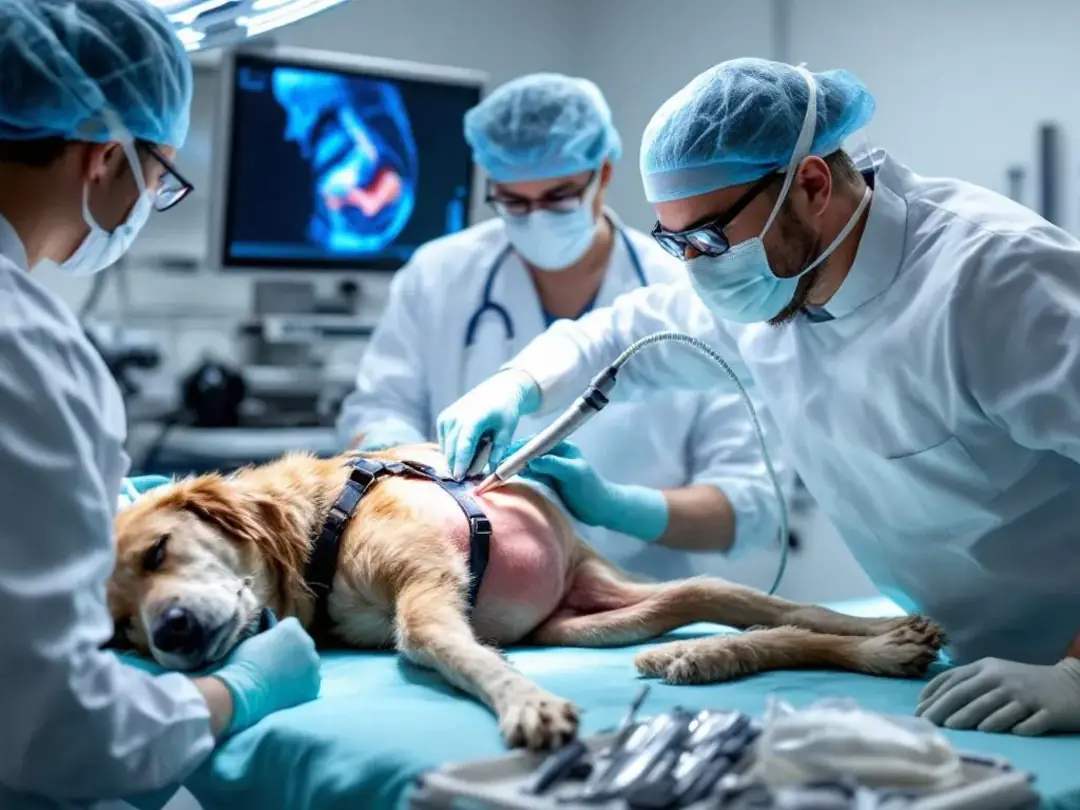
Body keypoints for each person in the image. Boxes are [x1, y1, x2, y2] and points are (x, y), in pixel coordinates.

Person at [436, 57, 1080, 736]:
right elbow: (617, 337)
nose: (694, 266)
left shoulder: (995, 279)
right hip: (963, 662)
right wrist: (517, 384)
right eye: (674, 242)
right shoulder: (774, 284)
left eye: (708, 238)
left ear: (810, 184)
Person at [0, 2, 321, 806]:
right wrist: (238, 691)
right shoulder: (24, 348)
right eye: (161, 175)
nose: (153, 199)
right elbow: (58, 730)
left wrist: (89, 510)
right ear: (105, 157)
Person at [336, 72, 789, 580]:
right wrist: (409, 458)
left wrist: (617, 507)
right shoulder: (438, 275)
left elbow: (751, 503)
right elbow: (376, 408)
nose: (536, 218)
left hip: (637, 589)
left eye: (559, 197)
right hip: (469, 581)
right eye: (513, 201)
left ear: (604, 173)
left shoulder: (687, 294)